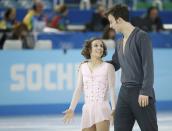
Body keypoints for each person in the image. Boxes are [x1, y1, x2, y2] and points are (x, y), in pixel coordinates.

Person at [105, 4, 158, 131]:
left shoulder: (141, 36)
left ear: (119, 20)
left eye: (112, 22)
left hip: (141, 92)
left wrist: (145, 91)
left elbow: (148, 66)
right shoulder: (119, 42)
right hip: (124, 94)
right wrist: (94, 64)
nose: (111, 26)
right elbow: (115, 64)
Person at [63, 38, 116, 131]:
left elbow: (112, 89)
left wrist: (114, 108)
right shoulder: (83, 67)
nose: (99, 48)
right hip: (87, 109)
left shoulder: (108, 67)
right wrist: (71, 108)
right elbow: (78, 89)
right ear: (89, 49)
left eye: (101, 46)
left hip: (102, 108)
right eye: (96, 45)